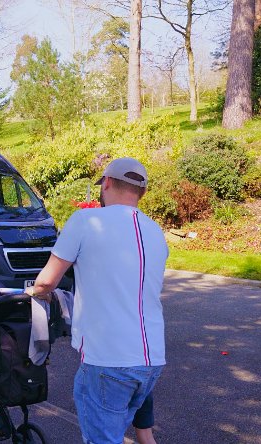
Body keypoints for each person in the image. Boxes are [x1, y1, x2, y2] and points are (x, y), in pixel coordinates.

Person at [28, 158, 167, 444]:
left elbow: (47, 281)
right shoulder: (155, 231)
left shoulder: (85, 220)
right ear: (142, 192)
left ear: (106, 183)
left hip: (108, 359)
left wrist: (32, 294)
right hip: (152, 358)